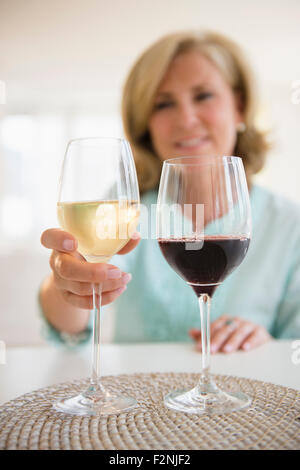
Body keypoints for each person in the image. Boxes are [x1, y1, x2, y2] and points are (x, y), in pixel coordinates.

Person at [40, 30, 300, 352]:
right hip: (140, 398)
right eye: (164, 104)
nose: (186, 119)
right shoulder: (127, 209)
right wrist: (67, 282)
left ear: (239, 107)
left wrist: (266, 345)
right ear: (145, 125)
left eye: (203, 96)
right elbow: (70, 329)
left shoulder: (290, 224)